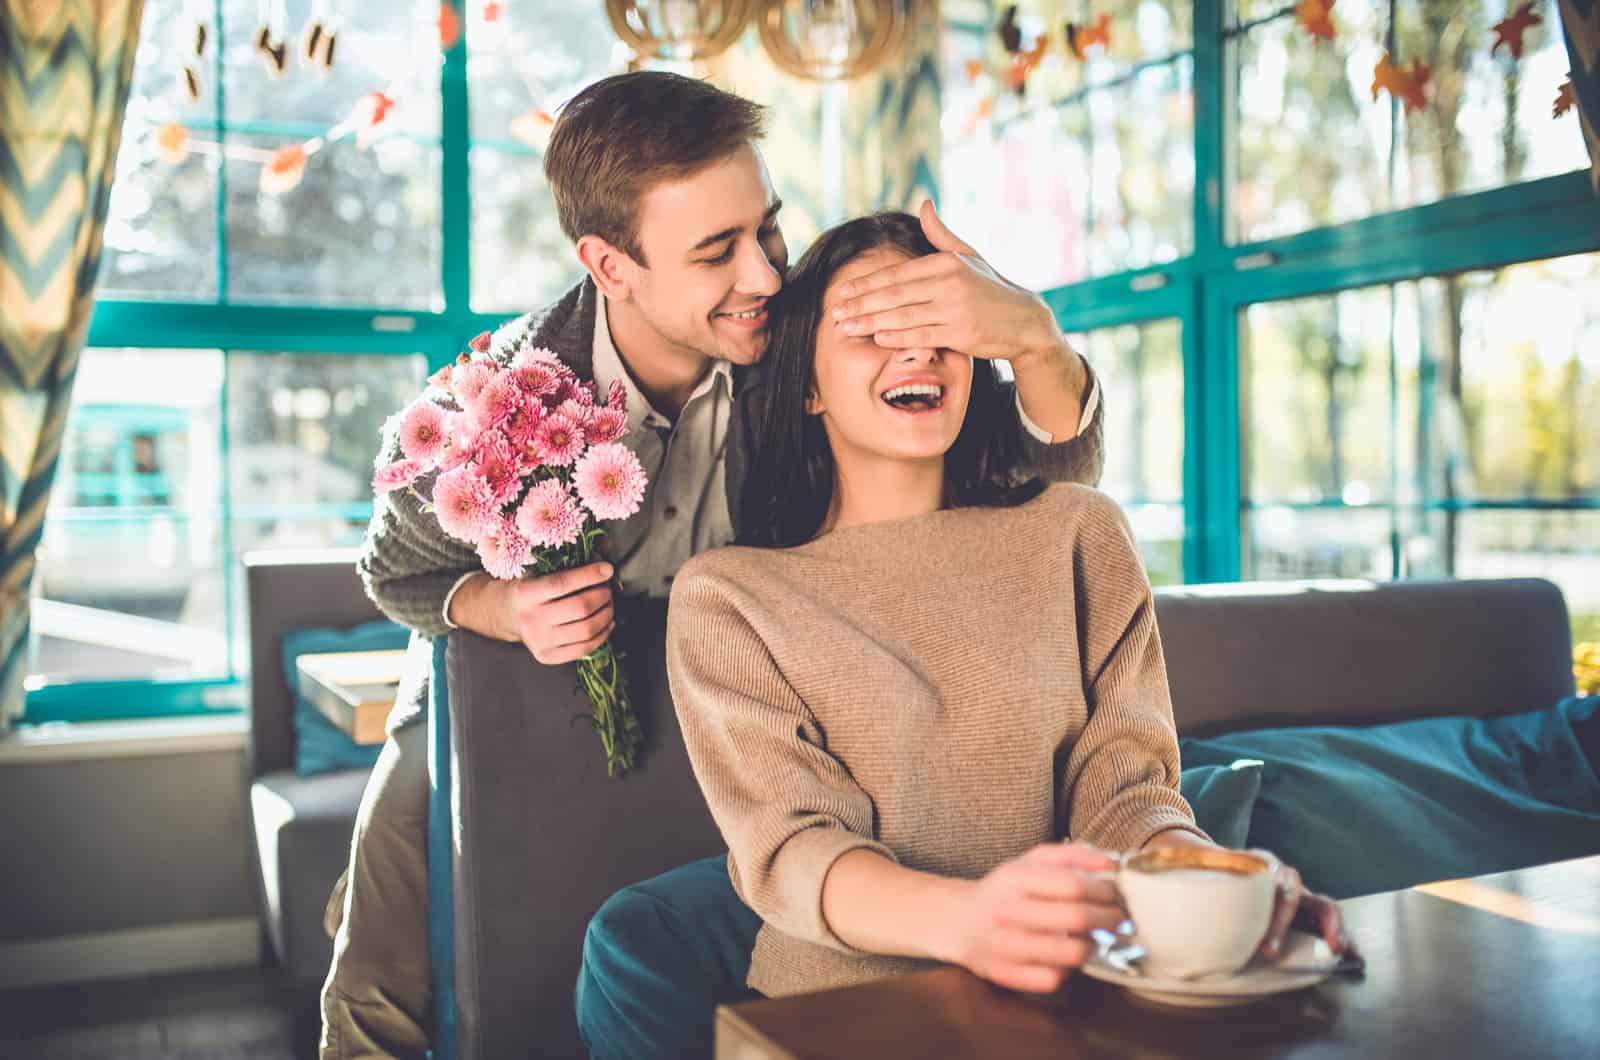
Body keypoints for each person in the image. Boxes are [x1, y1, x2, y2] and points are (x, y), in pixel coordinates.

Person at [327, 74, 1107, 1059]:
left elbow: (1040, 479)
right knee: (394, 912)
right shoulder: (497, 397)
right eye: (715, 253)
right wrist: (496, 607)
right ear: (610, 264)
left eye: (766, 231)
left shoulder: (799, 344)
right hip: (508, 693)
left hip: (742, 692)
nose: (765, 277)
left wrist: (1031, 340)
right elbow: (392, 568)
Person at [577, 213, 1349, 1056]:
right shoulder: (731, 596)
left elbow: (1126, 791)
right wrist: (970, 920)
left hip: (1082, 1002)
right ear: (808, 385)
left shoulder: (1078, 534)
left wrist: (1212, 890)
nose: (917, 352)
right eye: (874, 330)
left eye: (939, 328)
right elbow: (792, 849)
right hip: (837, 1019)